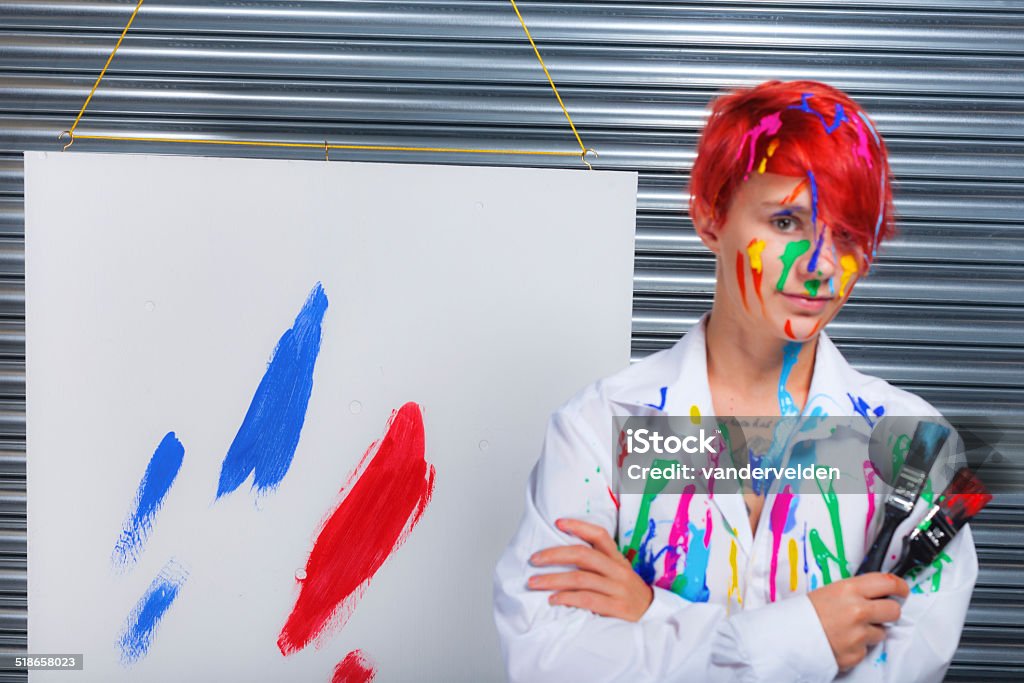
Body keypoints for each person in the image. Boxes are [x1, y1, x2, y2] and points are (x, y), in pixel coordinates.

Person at [492, 80, 978, 682]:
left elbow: (899, 671)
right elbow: (548, 662)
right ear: (710, 215)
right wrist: (803, 636)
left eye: (848, 234)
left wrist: (651, 615)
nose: (821, 264)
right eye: (785, 220)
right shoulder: (603, 427)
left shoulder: (914, 447)